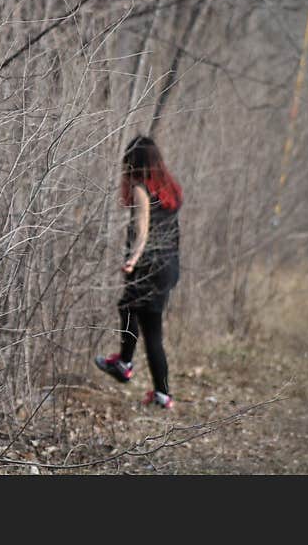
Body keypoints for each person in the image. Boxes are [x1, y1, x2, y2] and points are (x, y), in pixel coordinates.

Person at [95, 135, 182, 409]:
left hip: (148, 267)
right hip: (168, 266)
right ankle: (162, 395)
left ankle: (124, 363)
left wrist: (132, 260)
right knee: (152, 331)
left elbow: (143, 231)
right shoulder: (169, 189)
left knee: (128, 307)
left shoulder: (142, 190)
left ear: (134, 163)